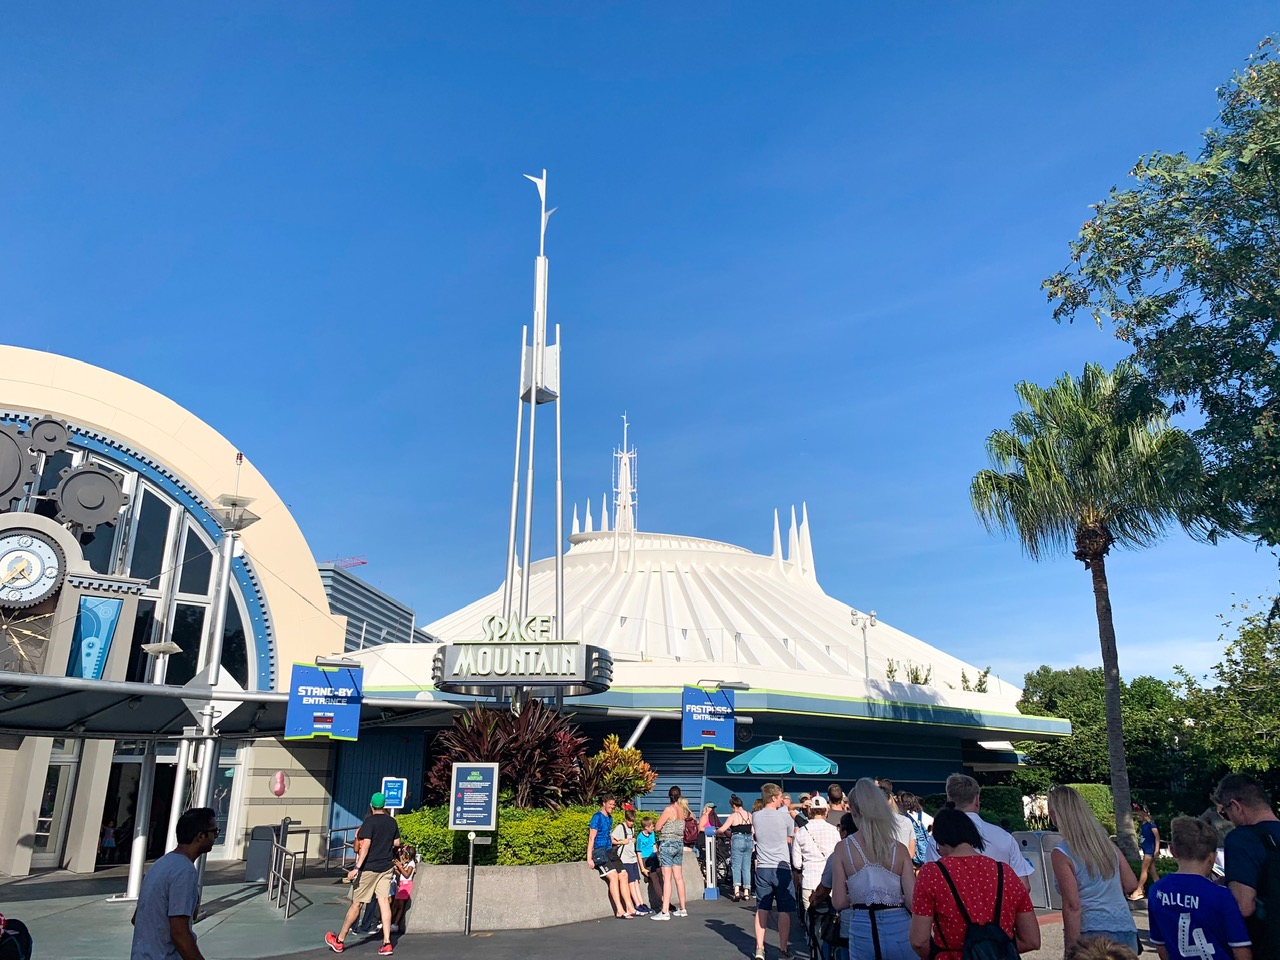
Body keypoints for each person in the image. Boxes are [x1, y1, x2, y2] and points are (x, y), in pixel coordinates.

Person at [909, 807, 1040, 960]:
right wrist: (992, 950)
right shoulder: (1005, 872)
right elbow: (1031, 939)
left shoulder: (932, 873)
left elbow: (919, 941)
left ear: (941, 840)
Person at [1047, 785, 1140, 954]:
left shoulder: (1062, 853)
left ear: (1055, 814)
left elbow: (1072, 906)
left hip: (1092, 932)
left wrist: (1071, 951)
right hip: (1124, 927)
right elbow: (1131, 883)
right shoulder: (1106, 845)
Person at [830, 778, 916, 960]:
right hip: (899, 923)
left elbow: (838, 902)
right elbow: (912, 901)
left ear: (852, 810)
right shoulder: (899, 849)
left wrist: (859, 895)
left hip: (862, 925)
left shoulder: (843, 848)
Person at [1148, 816, 1251, 960]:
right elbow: (1240, 949)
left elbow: (1161, 946)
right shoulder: (1222, 896)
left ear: (1173, 851)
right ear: (1213, 857)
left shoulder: (1156, 891)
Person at [130, 806, 218, 960]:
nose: (215, 837)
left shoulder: (161, 864)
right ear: (201, 836)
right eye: (214, 832)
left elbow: (136, 918)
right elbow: (179, 933)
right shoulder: (184, 871)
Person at [922, 774, 1035, 890]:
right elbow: (1024, 886)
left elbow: (932, 883)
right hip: (999, 904)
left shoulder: (939, 839)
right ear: (977, 799)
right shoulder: (1004, 837)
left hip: (953, 905)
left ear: (949, 799)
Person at [326, 792, 402, 955]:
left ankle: (339, 940)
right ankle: (387, 943)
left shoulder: (369, 822)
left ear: (371, 805)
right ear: (385, 805)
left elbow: (365, 846)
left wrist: (356, 868)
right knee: (383, 903)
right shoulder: (392, 822)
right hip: (386, 867)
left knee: (357, 903)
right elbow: (397, 842)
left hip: (369, 868)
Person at [1214, 773, 1280, 955]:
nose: (1228, 819)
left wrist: (1223, 888)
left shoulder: (1242, 838)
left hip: (1269, 945)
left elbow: (1243, 905)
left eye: (1225, 813)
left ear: (1235, 806)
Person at [753, 782, 797, 960]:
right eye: (780, 797)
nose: (782, 800)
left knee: (762, 908)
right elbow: (789, 837)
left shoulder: (755, 816)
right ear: (773, 797)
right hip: (782, 867)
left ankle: (759, 948)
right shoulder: (785, 817)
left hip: (763, 866)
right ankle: (783, 948)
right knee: (784, 910)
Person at [589, 795, 637, 919]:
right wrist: (589, 857)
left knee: (624, 874)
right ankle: (619, 910)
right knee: (614, 876)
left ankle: (629, 906)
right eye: (610, 804)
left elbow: (609, 836)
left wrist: (621, 841)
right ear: (604, 803)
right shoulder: (597, 817)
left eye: (614, 805)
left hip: (610, 850)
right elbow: (591, 837)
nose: (612, 807)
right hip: (599, 851)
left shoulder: (610, 818)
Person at [794, 795, 840, 916]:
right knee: (832, 920)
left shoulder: (802, 832)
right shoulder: (834, 831)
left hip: (810, 880)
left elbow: (797, 863)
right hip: (830, 882)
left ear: (810, 811)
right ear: (826, 810)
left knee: (810, 917)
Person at [651, 786, 690, 920]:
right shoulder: (681, 810)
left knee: (667, 878)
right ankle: (683, 908)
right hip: (679, 843)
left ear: (669, 796)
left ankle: (665, 911)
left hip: (667, 843)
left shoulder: (669, 810)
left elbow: (657, 827)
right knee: (679, 877)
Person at [717, 794, 755, 902]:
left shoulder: (733, 816)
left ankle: (737, 891)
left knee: (736, 866)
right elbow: (753, 830)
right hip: (748, 840)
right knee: (746, 867)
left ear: (733, 805)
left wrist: (716, 832)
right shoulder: (749, 815)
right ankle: (747, 891)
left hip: (737, 839)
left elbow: (722, 829)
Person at [614, 804, 650, 915]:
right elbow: (612, 840)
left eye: (633, 821)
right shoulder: (620, 827)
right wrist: (622, 841)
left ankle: (641, 902)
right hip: (625, 859)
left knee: (636, 881)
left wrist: (632, 840)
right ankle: (637, 904)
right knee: (630, 882)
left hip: (633, 858)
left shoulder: (632, 828)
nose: (631, 823)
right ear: (626, 819)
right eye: (630, 821)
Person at [879, 782, 917, 863]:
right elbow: (911, 852)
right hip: (903, 866)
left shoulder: (871, 823)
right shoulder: (906, 821)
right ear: (890, 800)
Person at [1130, 805, 1162, 901]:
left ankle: (1139, 890)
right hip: (1146, 849)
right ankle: (1160, 888)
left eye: (1139, 812)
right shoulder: (1144, 824)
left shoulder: (1151, 824)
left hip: (1150, 850)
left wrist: (1156, 850)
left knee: (1144, 869)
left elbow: (1157, 837)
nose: (1138, 814)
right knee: (1152, 871)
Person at [388, 845, 416, 934]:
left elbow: (407, 875)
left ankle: (395, 924)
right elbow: (402, 874)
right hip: (401, 885)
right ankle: (390, 921)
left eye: (403, 855)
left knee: (400, 906)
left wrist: (400, 867)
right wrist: (397, 868)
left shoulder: (411, 864)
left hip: (406, 886)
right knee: (395, 904)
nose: (402, 857)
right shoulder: (407, 864)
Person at [637, 814, 663, 908]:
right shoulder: (640, 838)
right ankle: (663, 901)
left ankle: (665, 898)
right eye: (652, 826)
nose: (653, 827)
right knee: (655, 878)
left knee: (661, 875)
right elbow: (639, 853)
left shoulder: (652, 834)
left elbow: (654, 846)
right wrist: (642, 868)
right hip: (645, 858)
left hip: (653, 856)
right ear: (646, 827)